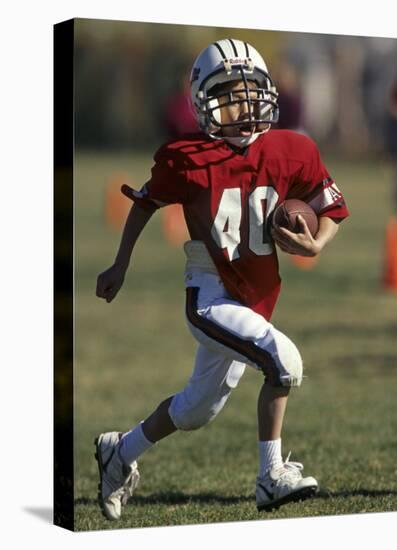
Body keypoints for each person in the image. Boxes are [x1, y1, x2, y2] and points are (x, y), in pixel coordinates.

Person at [95, 38, 349, 521]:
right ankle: (271, 477)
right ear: (203, 102)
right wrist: (120, 262)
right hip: (211, 294)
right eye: (230, 95)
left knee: (196, 410)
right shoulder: (185, 157)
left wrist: (317, 243)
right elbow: (145, 203)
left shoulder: (292, 148)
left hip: (255, 296)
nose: (244, 104)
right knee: (284, 361)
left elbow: (329, 202)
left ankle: (119, 451)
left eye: (250, 91)